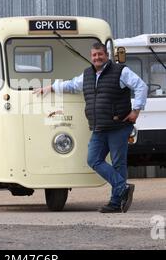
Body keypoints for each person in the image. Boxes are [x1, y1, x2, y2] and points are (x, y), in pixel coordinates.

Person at [34, 42, 148, 213]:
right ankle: (122, 187)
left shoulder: (121, 71)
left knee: (118, 164)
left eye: (100, 54)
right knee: (93, 160)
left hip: (118, 126)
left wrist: (136, 111)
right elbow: (71, 85)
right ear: (91, 56)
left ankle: (116, 203)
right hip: (99, 127)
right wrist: (50, 88)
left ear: (106, 55)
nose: (97, 58)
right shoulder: (87, 75)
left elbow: (141, 86)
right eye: (94, 55)